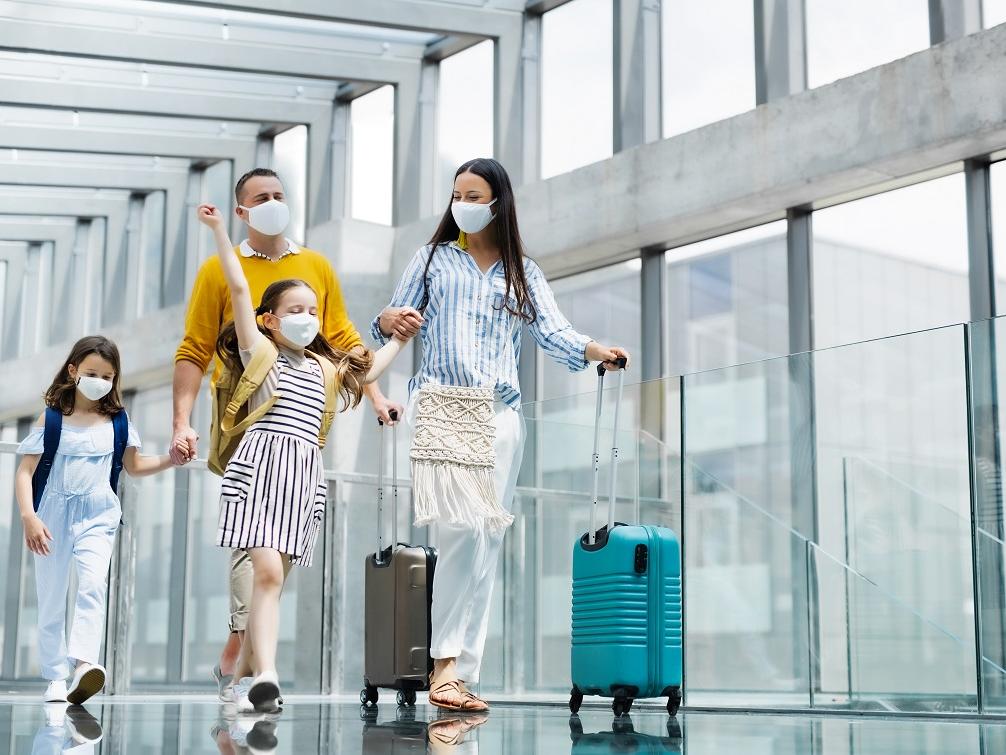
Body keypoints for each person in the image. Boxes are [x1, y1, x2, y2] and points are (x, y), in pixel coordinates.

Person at [373, 158, 631, 712]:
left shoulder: (522, 271)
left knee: (486, 540)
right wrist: (391, 318)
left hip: (501, 415)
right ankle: (442, 665)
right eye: (455, 193)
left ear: (497, 203)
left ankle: (461, 672)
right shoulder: (433, 259)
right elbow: (389, 319)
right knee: (462, 529)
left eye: (473, 194)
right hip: (443, 402)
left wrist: (596, 352)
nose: (462, 202)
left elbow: (553, 331)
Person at [171, 168, 404, 701]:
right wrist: (217, 235)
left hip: (303, 475)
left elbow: (355, 357)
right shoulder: (259, 345)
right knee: (263, 570)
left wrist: (390, 355)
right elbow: (200, 338)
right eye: (261, 197)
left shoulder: (320, 329)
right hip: (254, 453)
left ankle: (243, 671)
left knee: (276, 578)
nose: (306, 318)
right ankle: (261, 670)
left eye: (280, 194)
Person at [14, 335, 179, 705]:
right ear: (73, 371)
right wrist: (29, 516)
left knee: (91, 585)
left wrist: (171, 458)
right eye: (91, 372)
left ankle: (83, 666)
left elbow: (135, 466)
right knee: (52, 595)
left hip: (99, 515)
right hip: (50, 518)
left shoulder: (118, 421)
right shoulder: (52, 419)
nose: (100, 381)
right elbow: (25, 473)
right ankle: (55, 676)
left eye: (107, 375)